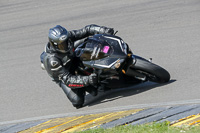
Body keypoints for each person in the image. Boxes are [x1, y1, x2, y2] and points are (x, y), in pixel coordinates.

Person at [40, 24, 114, 108]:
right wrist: (88, 80)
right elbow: (68, 80)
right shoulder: (52, 61)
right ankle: (86, 86)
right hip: (63, 74)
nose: (66, 45)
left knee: (88, 41)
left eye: (67, 41)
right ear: (55, 45)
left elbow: (86, 30)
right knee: (77, 101)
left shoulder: (67, 37)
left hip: (72, 58)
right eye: (62, 44)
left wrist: (103, 30)